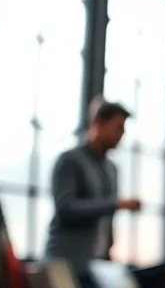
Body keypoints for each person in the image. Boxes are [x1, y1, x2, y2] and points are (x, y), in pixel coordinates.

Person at [45, 98, 141, 272]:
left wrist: (108, 250)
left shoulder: (112, 169)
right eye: (118, 127)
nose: (122, 134)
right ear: (99, 124)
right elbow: (65, 209)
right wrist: (116, 204)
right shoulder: (70, 161)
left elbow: (107, 221)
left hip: (97, 265)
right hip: (65, 265)